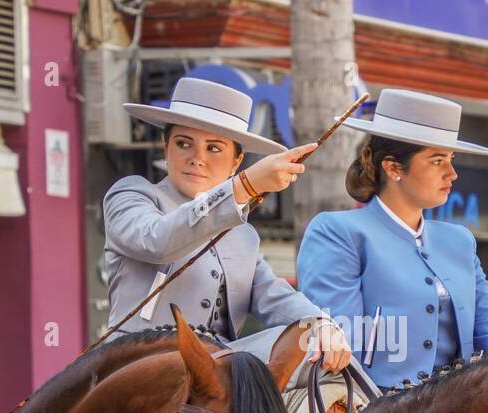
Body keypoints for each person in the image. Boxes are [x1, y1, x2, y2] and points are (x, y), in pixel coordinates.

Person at [103, 76, 350, 371]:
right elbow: (157, 240)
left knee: (321, 349)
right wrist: (243, 187)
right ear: (165, 147)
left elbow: (272, 295)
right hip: (138, 364)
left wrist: (321, 324)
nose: (197, 158)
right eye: (184, 144)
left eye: (214, 148)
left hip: (217, 370)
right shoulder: (133, 194)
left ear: (236, 161)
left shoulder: (242, 234)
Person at [296, 88, 488, 390]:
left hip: (457, 408)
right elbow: (340, 339)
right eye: (437, 161)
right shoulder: (338, 232)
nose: (452, 173)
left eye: (451, 159)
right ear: (393, 168)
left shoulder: (459, 241)